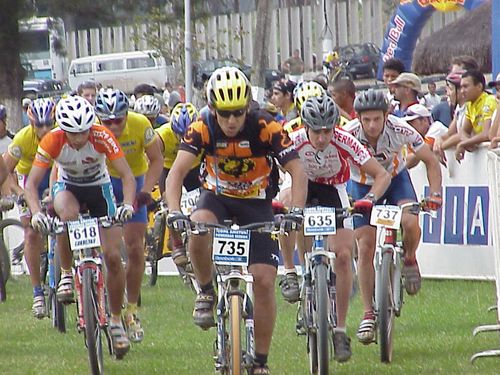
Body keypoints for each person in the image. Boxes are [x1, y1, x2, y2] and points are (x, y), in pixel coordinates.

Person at [165, 66, 307, 374]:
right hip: (216, 197)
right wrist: (175, 212)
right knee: (198, 227)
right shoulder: (202, 127)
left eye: (238, 113)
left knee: (265, 281)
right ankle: (205, 290)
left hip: (257, 203)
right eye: (224, 113)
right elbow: (176, 173)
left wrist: (295, 211)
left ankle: (261, 361)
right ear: (213, 108)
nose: (231, 121)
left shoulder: (266, 126)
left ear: (248, 108)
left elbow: (297, 171)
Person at [281, 93, 391, 362]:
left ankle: (340, 330)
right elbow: (275, 173)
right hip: (301, 186)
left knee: (343, 256)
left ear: (334, 127)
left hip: (333, 190)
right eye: (316, 132)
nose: (321, 138)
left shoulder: (344, 140)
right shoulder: (293, 141)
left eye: (327, 131)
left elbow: (382, 174)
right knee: (284, 207)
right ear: (304, 126)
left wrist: (368, 200)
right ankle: (291, 271)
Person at [24, 96, 136, 357]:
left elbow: (128, 176)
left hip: (99, 188)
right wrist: (37, 212)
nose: (79, 138)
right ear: (63, 130)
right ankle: (65, 272)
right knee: (66, 216)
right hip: (67, 188)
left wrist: (128, 204)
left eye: (84, 131)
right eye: (73, 133)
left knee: (112, 256)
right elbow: (31, 185)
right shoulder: (52, 139)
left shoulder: (102, 136)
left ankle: (117, 319)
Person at [342, 89, 442, 345]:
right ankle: (367, 312)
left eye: (377, 119)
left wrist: (435, 193)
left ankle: (409, 258)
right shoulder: (349, 133)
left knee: (410, 220)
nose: (372, 125)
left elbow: (430, 161)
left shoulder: (401, 129)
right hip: (361, 185)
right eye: (367, 120)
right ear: (359, 118)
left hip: (396, 181)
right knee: (364, 246)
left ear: (387, 116)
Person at [95, 89, 163, 343]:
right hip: (103, 181)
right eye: (107, 122)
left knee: (135, 250)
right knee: (108, 251)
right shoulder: (92, 129)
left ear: (127, 115)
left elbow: (156, 159)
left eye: (118, 120)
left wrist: (146, 191)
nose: (113, 126)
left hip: (134, 180)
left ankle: (132, 310)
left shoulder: (141, 124)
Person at [3, 98, 55, 319]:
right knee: (32, 234)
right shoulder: (23, 138)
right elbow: (5, 171)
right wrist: (18, 191)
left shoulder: (64, 133)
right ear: (31, 124)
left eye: (48, 124)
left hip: (57, 177)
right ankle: (37, 292)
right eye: (38, 125)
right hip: (29, 181)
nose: (44, 130)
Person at [156, 102, 201, 266]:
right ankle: (176, 243)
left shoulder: (203, 131)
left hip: (194, 169)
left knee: (202, 203)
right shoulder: (162, 135)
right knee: (169, 203)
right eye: (179, 134)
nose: (183, 139)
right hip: (169, 169)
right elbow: (151, 158)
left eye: (187, 134)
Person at [454, 70, 497, 162]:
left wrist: (463, 143)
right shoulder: (469, 105)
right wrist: (467, 141)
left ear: (479, 86)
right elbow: (464, 131)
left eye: (466, 86)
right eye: (461, 87)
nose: (462, 91)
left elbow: (486, 134)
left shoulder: (489, 101)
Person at [433, 70, 467, 165]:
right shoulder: (458, 109)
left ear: (461, 90)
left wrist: (442, 146)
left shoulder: (470, 107)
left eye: (451, 89)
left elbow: (463, 134)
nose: (447, 93)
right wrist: (439, 139)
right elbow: (449, 134)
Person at [403, 103, 448, 169]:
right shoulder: (413, 137)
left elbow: (411, 161)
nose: (409, 126)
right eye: (408, 123)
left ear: (425, 120)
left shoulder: (436, 127)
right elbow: (407, 162)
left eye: (412, 122)